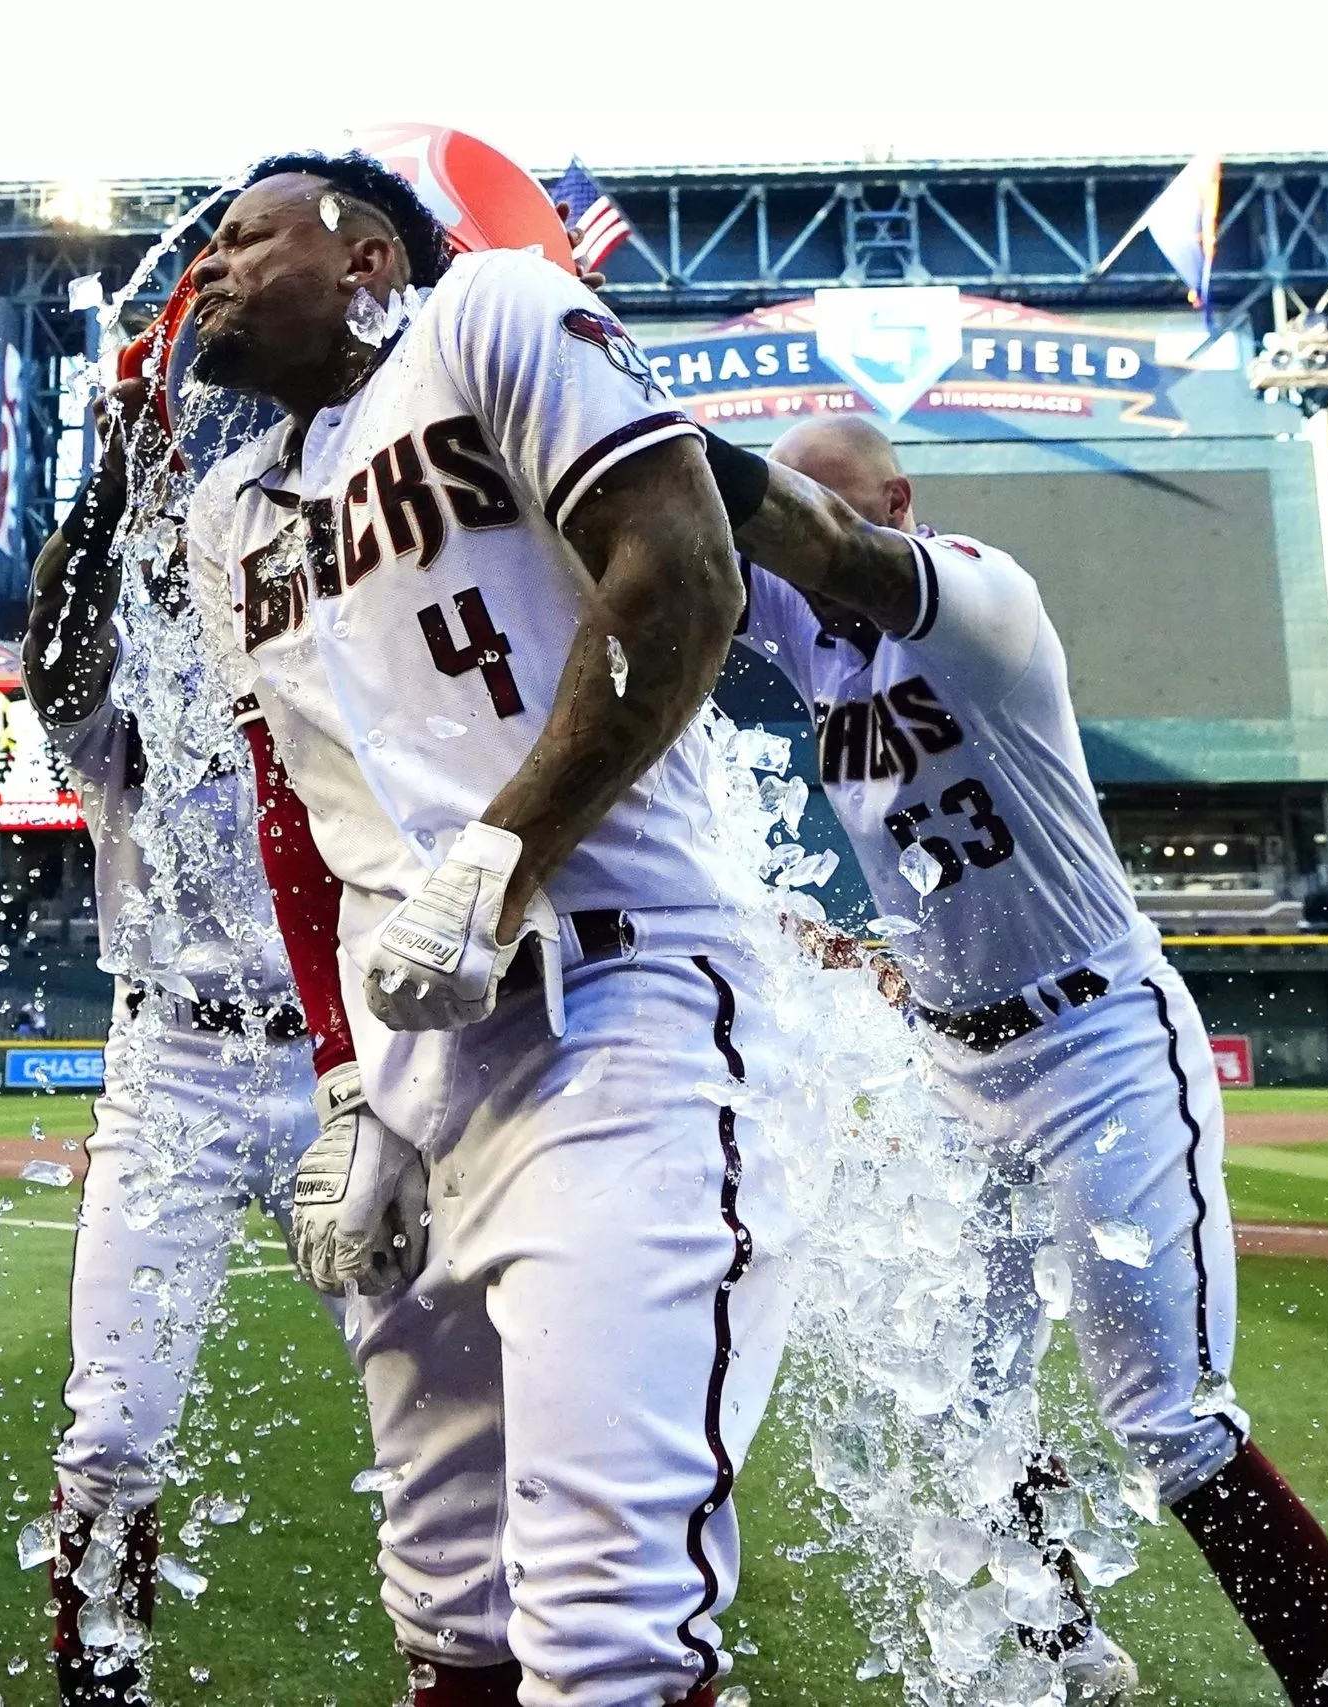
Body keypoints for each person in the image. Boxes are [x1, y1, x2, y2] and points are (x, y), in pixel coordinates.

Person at [186, 149, 793, 1707]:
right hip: (420, 1070)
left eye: (249, 236)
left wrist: (507, 851)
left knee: (603, 1631)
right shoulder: (226, 520)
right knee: (451, 1614)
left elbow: (684, 572)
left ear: (369, 250)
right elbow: (301, 823)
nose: (214, 266)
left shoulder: (493, 313)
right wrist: (352, 1087)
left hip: (622, 996)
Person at [711, 416, 1328, 1707]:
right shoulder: (808, 629)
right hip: (951, 1070)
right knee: (963, 1397)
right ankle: (1070, 1650)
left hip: (1097, 1048)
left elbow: (820, 548)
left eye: (828, 510)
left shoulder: (982, 598)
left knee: (1172, 1421)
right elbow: (691, 556)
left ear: (897, 501)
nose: (803, 552)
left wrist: (644, 423)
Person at [21, 399, 357, 1705]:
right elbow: (53, 657)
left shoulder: (319, 665)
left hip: (342, 1056)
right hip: (175, 1066)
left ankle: (496, 1658)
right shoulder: (130, 698)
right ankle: (102, 1677)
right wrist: (112, 482)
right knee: (110, 1423)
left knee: (445, 1388)